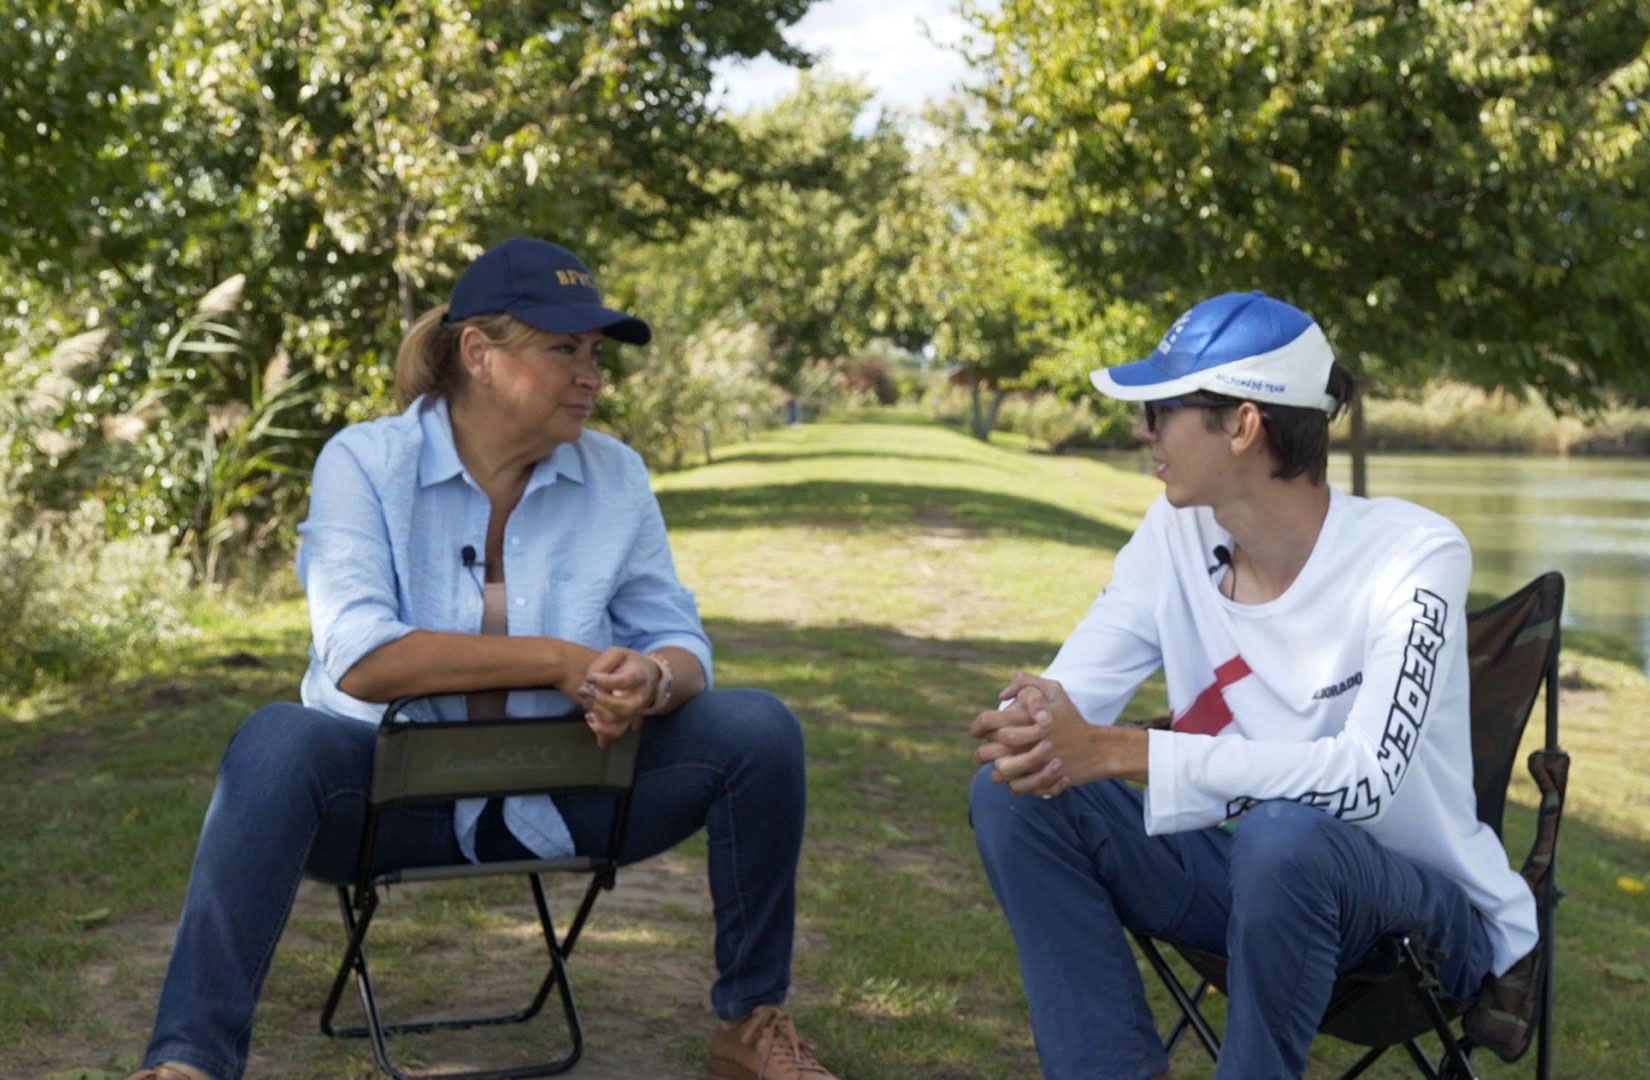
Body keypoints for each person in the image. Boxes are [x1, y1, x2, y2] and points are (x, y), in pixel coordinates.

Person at [131, 237, 837, 1080]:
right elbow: (359, 658)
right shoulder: (363, 461)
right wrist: (554, 662)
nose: (591, 375)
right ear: (480, 355)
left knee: (758, 729)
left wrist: (652, 680)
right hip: (383, 800)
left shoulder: (617, 476)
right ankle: (189, 1064)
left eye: (596, 354)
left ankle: (749, 1026)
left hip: (575, 787)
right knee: (277, 741)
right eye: (563, 349)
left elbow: (682, 641)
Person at [966, 291, 1537, 1079]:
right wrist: (1027, 723)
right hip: (1242, 880)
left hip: (1414, 918)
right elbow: (1076, 688)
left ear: (1241, 424)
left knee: (1285, 836)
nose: (1143, 432)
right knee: (1013, 794)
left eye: (1162, 409)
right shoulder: (1175, 533)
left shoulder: (1413, 554)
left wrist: (1124, 751)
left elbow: (1365, 780)